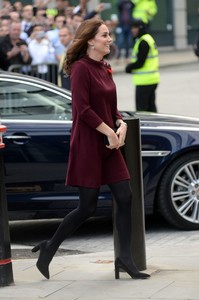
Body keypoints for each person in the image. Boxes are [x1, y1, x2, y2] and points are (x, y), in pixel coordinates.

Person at [32, 18, 150, 281]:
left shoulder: (105, 67)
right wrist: (109, 131)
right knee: (87, 207)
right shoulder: (81, 69)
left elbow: (111, 107)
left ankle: (125, 259)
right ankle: (49, 247)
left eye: (109, 35)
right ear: (90, 40)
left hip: (109, 143)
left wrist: (121, 125)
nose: (110, 39)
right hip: (88, 144)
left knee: (125, 196)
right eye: (105, 35)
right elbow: (82, 110)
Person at [125, 19, 160, 112]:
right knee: (151, 109)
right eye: (132, 27)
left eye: (135, 27)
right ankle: (155, 126)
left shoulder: (143, 42)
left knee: (142, 111)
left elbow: (140, 62)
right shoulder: (148, 38)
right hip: (151, 79)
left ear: (140, 28)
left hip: (144, 81)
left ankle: (145, 126)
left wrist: (129, 68)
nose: (133, 30)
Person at [57, 25, 73, 89]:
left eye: (64, 35)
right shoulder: (65, 50)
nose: (62, 38)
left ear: (71, 35)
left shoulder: (74, 51)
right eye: (60, 36)